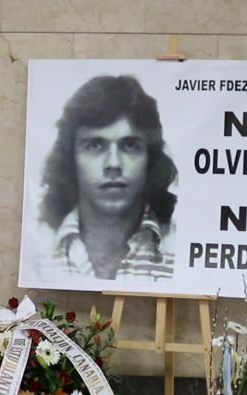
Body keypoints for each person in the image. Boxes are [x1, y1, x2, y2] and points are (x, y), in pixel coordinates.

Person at [36, 75, 178, 281]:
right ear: (71, 158)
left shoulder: (177, 249)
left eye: (130, 145)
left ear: (150, 157)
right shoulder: (39, 252)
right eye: (95, 145)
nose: (113, 164)